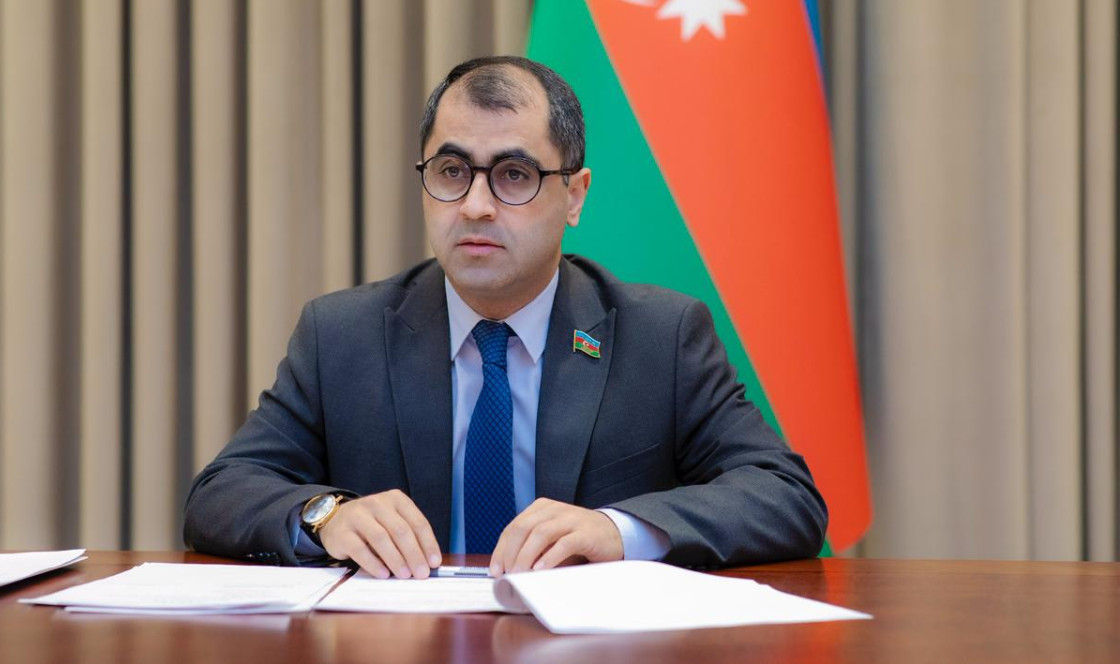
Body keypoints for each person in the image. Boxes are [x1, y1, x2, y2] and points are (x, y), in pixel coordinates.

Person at [183, 55, 827, 578]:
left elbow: (785, 496)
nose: (475, 206)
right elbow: (221, 491)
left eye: (514, 175)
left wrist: (618, 530)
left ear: (574, 195)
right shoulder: (343, 335)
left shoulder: (660, 336)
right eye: (452, 171)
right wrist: (327, 516)